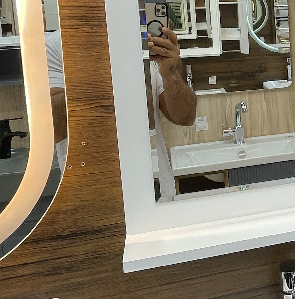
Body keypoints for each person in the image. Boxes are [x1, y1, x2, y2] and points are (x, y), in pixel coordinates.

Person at [46, 26, 196, 198]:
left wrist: (171, 73)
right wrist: (105, 64)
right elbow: (53, 131)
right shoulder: (57, 45)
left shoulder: (144, 41)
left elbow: (185, 117)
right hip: (90, 192)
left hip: (152, 187)